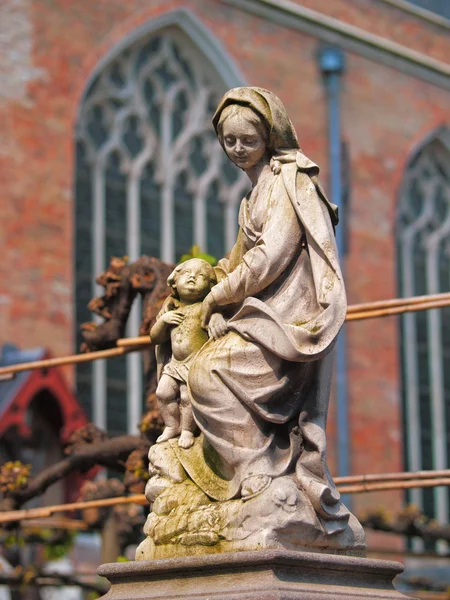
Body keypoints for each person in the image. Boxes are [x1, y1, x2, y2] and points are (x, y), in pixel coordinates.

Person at [178, 87, 351, 534]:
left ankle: (261, 475)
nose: (237, 150)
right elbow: (238, 259)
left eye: (247, 141)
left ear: (269, 137)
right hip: (261, 313)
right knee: (194, 369)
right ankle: (256, 477)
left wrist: (218, 298)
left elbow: (270, 255)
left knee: (209, 374)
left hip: (290, 323)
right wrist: (208, 285)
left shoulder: (288, 181)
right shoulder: (253, 194)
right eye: (229, 141)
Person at [150, 258, 217, 449]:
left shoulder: (205, 307)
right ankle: (172, 425)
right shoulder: (171, 308)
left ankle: (187, 430)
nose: (192, 278)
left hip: (194, 363)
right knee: (162, 393)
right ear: (174, 281)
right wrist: (163, 321)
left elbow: (220, 314)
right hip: (174, 363)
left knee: (188, 398)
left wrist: (217, 318)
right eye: (186, 274)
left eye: (200, 276)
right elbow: (155, 338)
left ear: (210, 286)